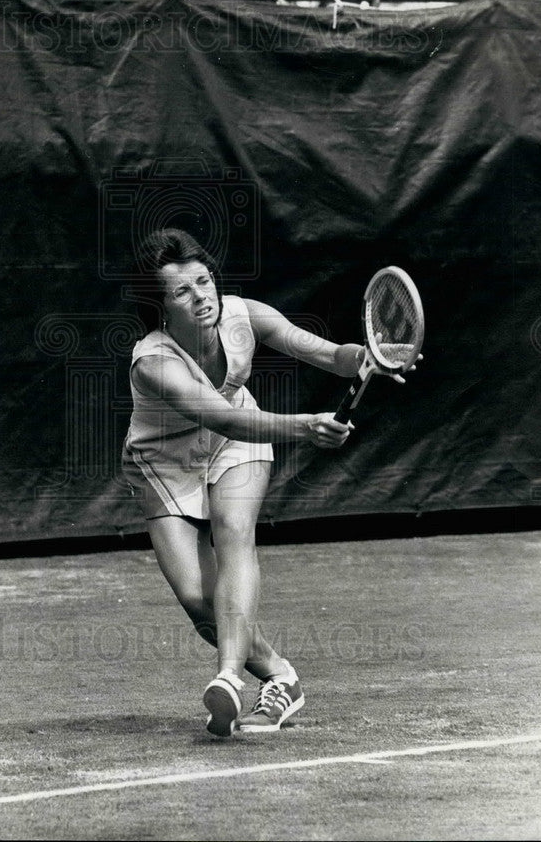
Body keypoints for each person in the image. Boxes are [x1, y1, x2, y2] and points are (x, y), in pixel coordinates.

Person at [122, 228, 389, 736]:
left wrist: (369, 355)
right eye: (182, 291)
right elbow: (223, 418)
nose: (201, 297)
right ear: (161, 306)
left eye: (204, 282)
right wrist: (305, 426)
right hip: (163, 461)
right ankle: (279, 676)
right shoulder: (153, 360)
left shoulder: (245, 316)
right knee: (199, 599)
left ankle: (227, 676)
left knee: (233, 533)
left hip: (235, 447)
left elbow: (330, 355)